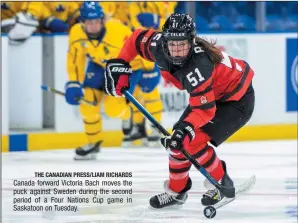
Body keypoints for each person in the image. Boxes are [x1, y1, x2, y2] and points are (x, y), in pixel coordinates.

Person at [103, 13, 255, 208]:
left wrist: (186, 129)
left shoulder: (199, 66)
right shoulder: (158, 46)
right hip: (212, 96)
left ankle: (222, 183)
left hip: (236, 101)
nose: (177, 51)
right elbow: (135, 39)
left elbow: (205, 110)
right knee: (178, 141)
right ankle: (176, 192)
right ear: (164, 40)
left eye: (182, 44)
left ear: (192, 42)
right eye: (172, 44)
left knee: (191, 141)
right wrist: (121, 63)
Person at [66, 2, 155, 159]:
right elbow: (75, 59)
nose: (92, 26)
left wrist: (149, 70)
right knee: (87, 103)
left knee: (113, 108)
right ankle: (93, 143)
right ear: (82, 22)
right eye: (88, 22)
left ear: (102, 20)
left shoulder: (118, 30)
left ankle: (128, 115)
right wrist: (74, 82)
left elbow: (138, 44)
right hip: (99, 65)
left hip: (127, 67)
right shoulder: (76, 33)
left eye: (96, 22)